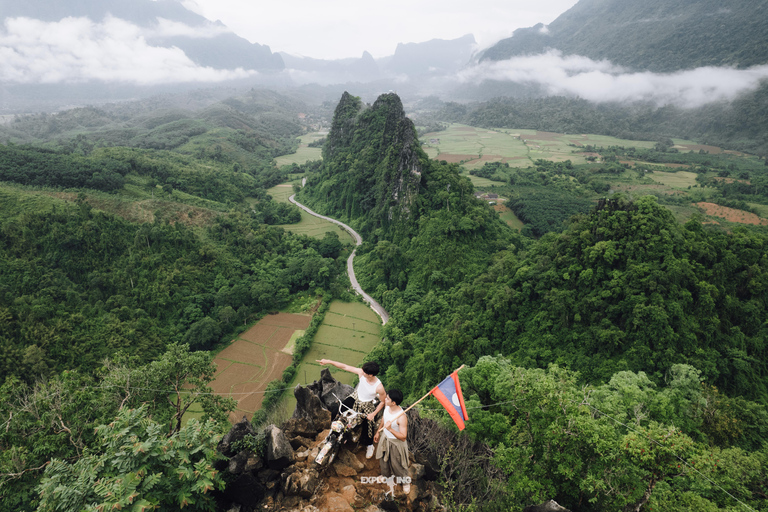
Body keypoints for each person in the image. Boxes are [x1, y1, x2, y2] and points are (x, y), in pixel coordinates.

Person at [316, 359, 385, 458]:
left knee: (368, 425)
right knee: (336, 412)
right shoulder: (362, 373)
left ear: (371, 375)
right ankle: (332, 433)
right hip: (355, 398)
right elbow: (344, 366)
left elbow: (383, 401)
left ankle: (369, 445)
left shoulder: (379, 387)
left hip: (366, 404)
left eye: (365, 372)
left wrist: (373, 414)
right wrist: (328, 361)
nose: (362, 372)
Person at [374, 389, 410, 495]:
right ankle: (385, 476)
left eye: (388, 398)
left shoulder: (402, 417)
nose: (385, 399)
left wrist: (390, 429)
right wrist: (378, 432)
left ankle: (405, 482)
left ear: (393, 402)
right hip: (385, 438)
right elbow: (384, 419)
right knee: (383, 460)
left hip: (396, 443)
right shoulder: (387, 407)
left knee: (397, 464)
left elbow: (403, 437)